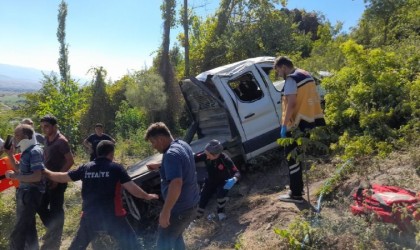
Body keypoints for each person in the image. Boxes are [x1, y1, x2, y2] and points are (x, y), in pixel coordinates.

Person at [43, 140, 159, 250]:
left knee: (77, 247)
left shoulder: (86, 168)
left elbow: (63, 177)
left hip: (90, 216)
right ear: (111, 153)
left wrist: (46, 172)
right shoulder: (115, 168)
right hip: (114, 217)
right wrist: (147, 196)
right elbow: (132, 188)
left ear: (97, 153)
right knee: (132, 246)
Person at [274, 56, 325, 203]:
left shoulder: (291, 79)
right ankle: (298, 189)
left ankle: (296, 194)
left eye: (278, 71)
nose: (279, 74)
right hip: (309, 121)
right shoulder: (305, 74)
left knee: (292, 159)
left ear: (283, 67)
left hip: (295, 125)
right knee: (298, 158)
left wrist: (284, 125)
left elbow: (291, 103)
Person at [145, 122, 199, 250]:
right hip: (191, 204)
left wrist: (166, 211)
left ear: (160, 139)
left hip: (179, 209)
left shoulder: (170, 155)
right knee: (175, 238)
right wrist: (161, 165)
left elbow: (176, 184)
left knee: (163, 245)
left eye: (153, 142)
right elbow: (182, 162)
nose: (153, 146)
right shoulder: (182, 145)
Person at [4, 124, 45, 250]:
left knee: (18, 233)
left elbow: (37, 176)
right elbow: (19, 168)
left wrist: (15, 177)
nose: (15, 138)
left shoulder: (34, 151)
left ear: (26, 136)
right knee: (29, 229)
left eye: (17, 135)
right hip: (24, 193)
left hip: (31, 193)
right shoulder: (26, 151)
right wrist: (10, 155)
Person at [37, 114, 74, 250]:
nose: (44, 129)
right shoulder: (47, 138)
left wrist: (58, 179)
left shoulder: (61, 141)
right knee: (40, 205)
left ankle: (56, 235)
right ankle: (52, 229)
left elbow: (70, 161)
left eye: (46, 126)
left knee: (56, 208)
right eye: (42, 127)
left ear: (54, 126)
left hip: (58, 180)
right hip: (46, 178)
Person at [194, 139, 240, 221]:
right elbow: (194, 158)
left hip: (223, 182)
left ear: (216, 155)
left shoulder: (225, 159)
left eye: (209, 155)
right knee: (202, 198)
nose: (206, 156)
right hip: (210, 181)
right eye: (206, 154)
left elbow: (236, 172)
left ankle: (220, 212)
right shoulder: (206, 155)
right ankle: (197, 219)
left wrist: (234, 178)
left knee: (221, 194)